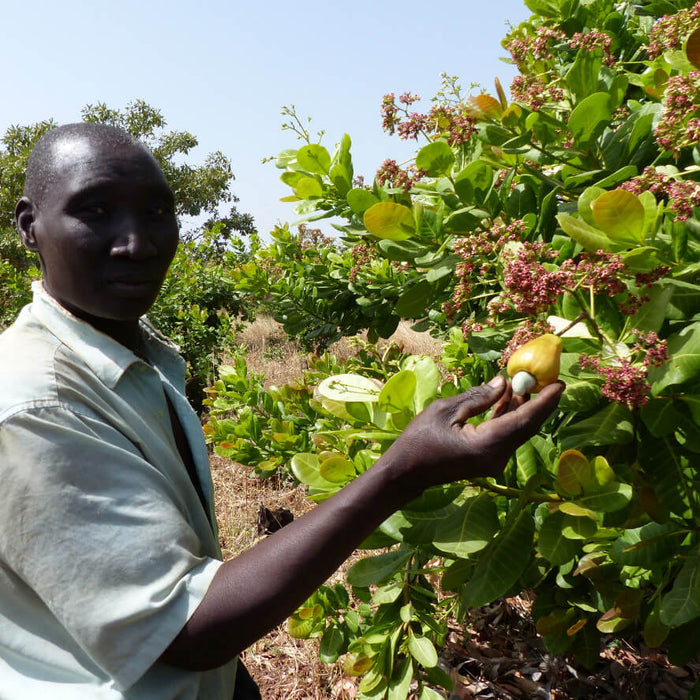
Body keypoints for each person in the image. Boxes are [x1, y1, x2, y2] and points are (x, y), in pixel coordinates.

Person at [0, 122, 564, 699]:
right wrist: (404, 470)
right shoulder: (36, 403)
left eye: (155, 212)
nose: (137, 242)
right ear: (29, 226)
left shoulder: (128, 351)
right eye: (94, 210)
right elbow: (187, 629)